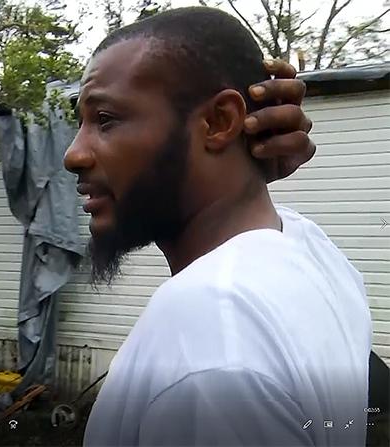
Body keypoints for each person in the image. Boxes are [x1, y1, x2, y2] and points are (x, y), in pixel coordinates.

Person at [64, 7, 371, 447]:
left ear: (220, 122)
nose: (73, 154)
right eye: (81, 124)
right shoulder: (314, 251)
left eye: (105, 119)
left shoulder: (207, 334)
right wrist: (243, 169)